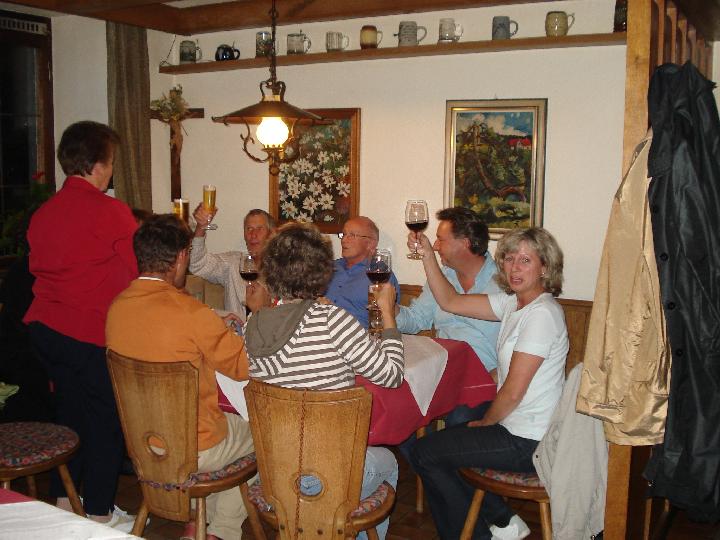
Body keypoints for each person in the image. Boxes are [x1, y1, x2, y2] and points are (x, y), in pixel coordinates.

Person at [244, 222, 404, 540]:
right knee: (388, 461)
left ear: (270, 272)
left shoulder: (253, 324)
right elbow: (392, 375)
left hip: (274, 473)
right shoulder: (333, 321)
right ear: (322, 272)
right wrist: (388, 314)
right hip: (328, 476)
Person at [408, 227, 569, 540]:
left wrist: (485, 423)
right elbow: (451, 301)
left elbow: (512, 392)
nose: (514, 267)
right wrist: (428, 255)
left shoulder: (542, 314)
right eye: (509, 258)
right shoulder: (514, 304)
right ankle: (499, 524)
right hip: (515, 429)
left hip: (529, 441)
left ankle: (481, 532)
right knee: (436, 449)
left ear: (545, 267)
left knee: (426, 453)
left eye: (525, 260)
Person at [106, 214, 253, 540]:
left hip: (143, 447)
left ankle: (197, 520)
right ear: (182, 256)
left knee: (225, 430)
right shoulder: (192, 314)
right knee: (262, 433)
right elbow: (245, 367)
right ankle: (220, 531)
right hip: (195, 448)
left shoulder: (116, 308)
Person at [23, 120, 138, 529]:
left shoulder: (44, 213)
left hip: (45, 331)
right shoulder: (110, 211)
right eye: (111, 161)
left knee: (70, 416)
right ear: (98, 164)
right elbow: (138, 270)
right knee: (106, 420)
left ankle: (63, 500)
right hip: (85, 331)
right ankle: (99, 513)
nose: (112, 169)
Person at [397, 207, 501, 378]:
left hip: (485, 377)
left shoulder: (504, 283)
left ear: (465, 243)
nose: (435, 246)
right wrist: (391, 307)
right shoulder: (442, 277)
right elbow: (416, 319)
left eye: (440, 239)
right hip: (442, 370)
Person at [189, 206, 276, 317]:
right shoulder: (233, 263)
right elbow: (197, 264)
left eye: (259, 229)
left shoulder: (282, 269)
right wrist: (200, 228)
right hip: (238, 327)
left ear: (270, 234)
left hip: (269, 326)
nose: (253, 235)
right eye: (249, 229)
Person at [325, 216, 400, 327]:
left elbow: (386, 320)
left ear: (370, 244)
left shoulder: (379, 275)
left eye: (352, 235)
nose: (344, 240)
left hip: (356, 335)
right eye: (344, 234)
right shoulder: (328, 267)